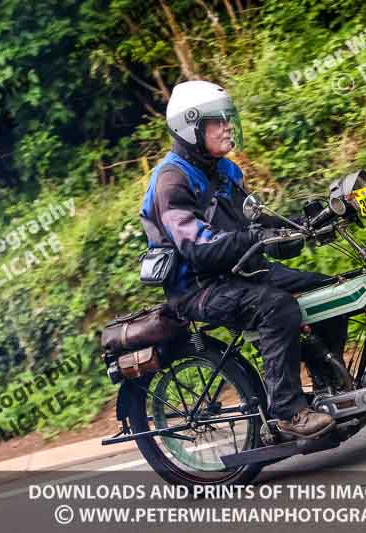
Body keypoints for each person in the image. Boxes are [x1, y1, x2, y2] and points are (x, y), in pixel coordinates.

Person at [139, 80, 347, 439]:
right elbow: (197, 247)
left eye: (228, 119)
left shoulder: (225, 171)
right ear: (191, 127)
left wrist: (305, 225)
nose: (227, 127)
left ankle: (328, 385)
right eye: (217, 122)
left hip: (239, 272)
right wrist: (254, 239)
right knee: (276, 307)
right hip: (198, 288)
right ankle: (288, 413)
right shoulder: (170, 181)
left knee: (327, 289)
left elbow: (256, 222)